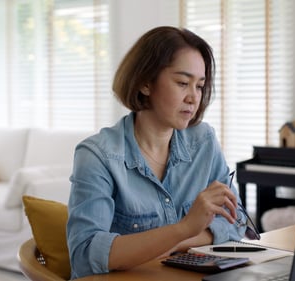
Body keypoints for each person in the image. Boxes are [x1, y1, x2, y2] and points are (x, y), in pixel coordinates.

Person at [66, 26, 247, 279]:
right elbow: (85, 255)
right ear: (145, 83)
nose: (193, 98)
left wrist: (175, 243)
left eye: (200, 86)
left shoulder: (203, 141)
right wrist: (184, 228)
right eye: (183, 83)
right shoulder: (98, 156)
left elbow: (236, 220)